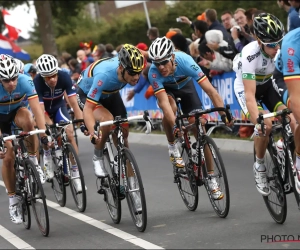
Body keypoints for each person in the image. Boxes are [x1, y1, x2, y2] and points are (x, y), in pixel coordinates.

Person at [147, 36, 229, 200]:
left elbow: (211, 91)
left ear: (172, 57)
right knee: (170, 106)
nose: (161, 67)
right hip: (168, 91)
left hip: (186, 87)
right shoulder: (153, 73)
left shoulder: (186, 61)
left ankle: (211, 177)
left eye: (164, 62)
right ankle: (172, 147)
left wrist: (223, 114)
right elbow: (163, 102)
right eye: (157, 64)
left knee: (199, 127)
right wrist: (175, 126)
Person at [233, 13, 296, 196]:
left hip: (267, 85)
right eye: (271, 45)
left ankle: (282, 145)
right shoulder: (249, 55)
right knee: (265, 126)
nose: (277, 48)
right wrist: (258, 121)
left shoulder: (283, 49)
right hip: (247, 89)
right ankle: (259, 166)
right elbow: (250, 96)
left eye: (279, 42)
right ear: (259, 41)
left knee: (292, 117)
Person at [77, 44, 144, 209]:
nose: (136, 77)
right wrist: (92, 132)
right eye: (132, 73)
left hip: (110, 94)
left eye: (139, 72)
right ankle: (97, 156)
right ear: (121, 69)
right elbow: (88, 109)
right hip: (88, 95)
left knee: (124, 136)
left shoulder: (129, 69)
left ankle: (133, 189)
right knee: (107, 121)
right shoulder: (105, 75)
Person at [0, 54, 48, 224]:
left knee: (29, 120)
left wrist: (43, 135)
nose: (11, 83)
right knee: (8, 156)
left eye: (13, 78)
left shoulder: (25, 80)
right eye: (6, 80)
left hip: (17, 113)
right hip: (1, 120)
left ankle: (34, 161)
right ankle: (13, 201)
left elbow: (37, 110)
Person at [34, 54, 86, 192]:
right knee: (47, 132)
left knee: (69, 133)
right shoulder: (37, 82)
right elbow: (39, 110)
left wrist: (81, 122)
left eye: (54, 75)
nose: (52, 79)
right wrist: (46, 128)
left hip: (58, 107)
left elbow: (74, 103)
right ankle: (47, 157)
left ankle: (76, 175)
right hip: (43, 111)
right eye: (48, 77)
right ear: (42, 76)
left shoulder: (63, 76)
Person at [273, 26, 300, 192]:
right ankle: (299, 161)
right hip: (284, 78)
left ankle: (285, 142)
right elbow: (296, 96)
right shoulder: (292, 42)